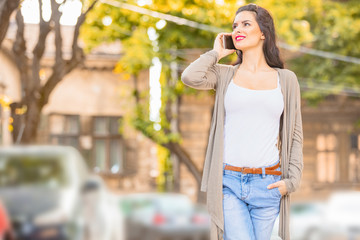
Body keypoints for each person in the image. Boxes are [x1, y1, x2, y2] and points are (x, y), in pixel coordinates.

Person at [181, 3, 303, 240]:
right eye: (235, 26)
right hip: (229, 184)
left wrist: (292, 182)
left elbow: (295, 135)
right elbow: (189, 76)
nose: (238, 29)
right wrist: (216, 52)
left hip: (268, 184)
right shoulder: (225, 74)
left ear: (263, 33)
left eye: (246, 24)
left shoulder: (286, 80)